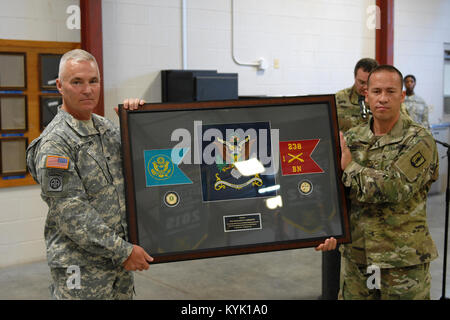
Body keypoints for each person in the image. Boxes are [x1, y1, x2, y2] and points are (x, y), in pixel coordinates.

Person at [26, 49, 153, 300]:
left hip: (117, 264)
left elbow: (143, 168)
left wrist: (137, 122)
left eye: (93, 81)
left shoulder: (105, 127)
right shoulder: (56, 143)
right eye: (77, 82)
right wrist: (124, 251)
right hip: (82, 270)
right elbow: (71, 213)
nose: (87, 90)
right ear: (60, 86)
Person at [338, 65, 439, 299]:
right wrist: (326, 230)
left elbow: (394, 188)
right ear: (366, 94)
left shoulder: (419, 139)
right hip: (358, 259)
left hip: (401, 262)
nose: (383, 98)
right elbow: (336, 192)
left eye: (391, 91)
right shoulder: (352, 138)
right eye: (376, 91)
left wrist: (350, 168)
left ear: (402, 96)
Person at [335, 58, 379, 132]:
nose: (366, 87)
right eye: (362, 82)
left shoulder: (385, 100)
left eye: (370, 82)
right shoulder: (338, 98)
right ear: (355, 77)